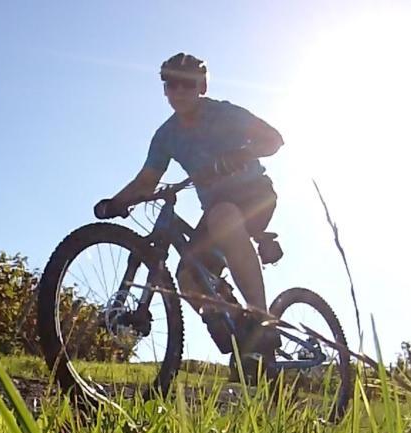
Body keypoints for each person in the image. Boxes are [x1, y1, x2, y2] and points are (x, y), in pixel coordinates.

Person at [95, 52, 284, 381]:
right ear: (165, 89)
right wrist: (114, 203)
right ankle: (240, 333)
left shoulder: (225, 113)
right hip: (215, 211)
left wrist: (242, 153)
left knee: (224, 215)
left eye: (187, 83)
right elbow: (146, 181)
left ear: (202, 86)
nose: (179, 91)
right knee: (187, 278)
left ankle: (261, 320)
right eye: (171, 84)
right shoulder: (166, 135)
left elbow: (274, 140)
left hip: (255, 195)